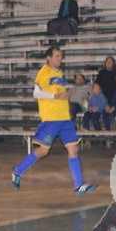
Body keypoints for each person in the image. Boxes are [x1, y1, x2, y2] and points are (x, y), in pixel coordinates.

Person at [11, 46, 95, 194]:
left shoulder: (59, 73)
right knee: (43, 151)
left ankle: (78, 185)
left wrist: (69, 95)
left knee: (73, 149)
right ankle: (18, 171)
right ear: (48, 58)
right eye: (57, 56)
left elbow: (61, 94)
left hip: (65, 118)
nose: (60, 59)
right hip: (51, 119)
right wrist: (54, 96)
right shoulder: (44, 72)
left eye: (61, 56)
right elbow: (36, 93)